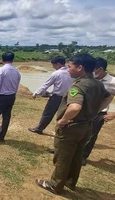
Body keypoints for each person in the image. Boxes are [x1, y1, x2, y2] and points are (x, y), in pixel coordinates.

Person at [35, 53, 113, 195]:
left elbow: (75, 107)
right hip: (86, 126)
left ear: (80, 68)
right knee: (76, 156)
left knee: (63, 156)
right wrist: (95, 111)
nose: (68, 69)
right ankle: (70, 182)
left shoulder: (78, 85)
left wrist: (63, 120)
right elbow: (109, 97)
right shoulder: (97, 83)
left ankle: (55, 185)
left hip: (72, 127)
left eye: (70, 66)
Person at [82, 57, 115, 165]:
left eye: (93, 69)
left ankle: (82, 156)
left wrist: (113, 114)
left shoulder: (113, 82)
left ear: (100, 69)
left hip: (99, 113)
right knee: (75, 131)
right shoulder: (90, 78)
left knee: (91, 135)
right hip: (83, 109)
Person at [28, 56, 72, 134]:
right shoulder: (71, 72)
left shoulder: (56, 73)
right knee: (64, 115)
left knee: (48, 113)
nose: (53, 67)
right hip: (69, 97)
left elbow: (46, 85)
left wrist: (36, 93)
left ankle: (40, 128)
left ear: (58, 64)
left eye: (53, 65)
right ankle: (63, 132)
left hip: (57, 97)